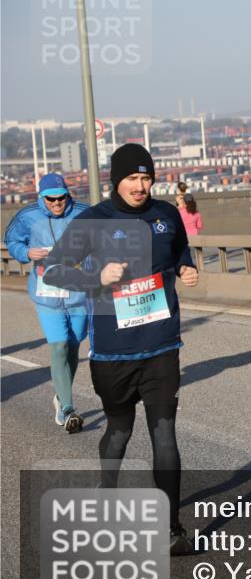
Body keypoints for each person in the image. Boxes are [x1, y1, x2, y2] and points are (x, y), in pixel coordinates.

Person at [43, 144, 200, 555]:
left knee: (164, 434)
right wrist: (95, 276)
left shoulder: (166, 215)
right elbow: (55, 270)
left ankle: (171, 529)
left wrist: (186, 266)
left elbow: (180, 247)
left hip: (162, 345)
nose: (141, 186)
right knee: (119, 432)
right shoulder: (93, 220)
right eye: (133, 178)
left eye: (147, 178)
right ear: (117, 179)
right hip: (113, 352)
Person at [3, 173, 89, 432]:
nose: (56, 203)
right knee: (59, 346)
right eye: (50, 199)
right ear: (41, 197)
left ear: (67, 194)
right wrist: (27, 253)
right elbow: (13, 241)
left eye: (61, 198)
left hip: (78, 292)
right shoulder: (27, 216)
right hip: (46, 293)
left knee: (73, 346)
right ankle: (67, 408)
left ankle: (61, 394)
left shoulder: (85, 213)